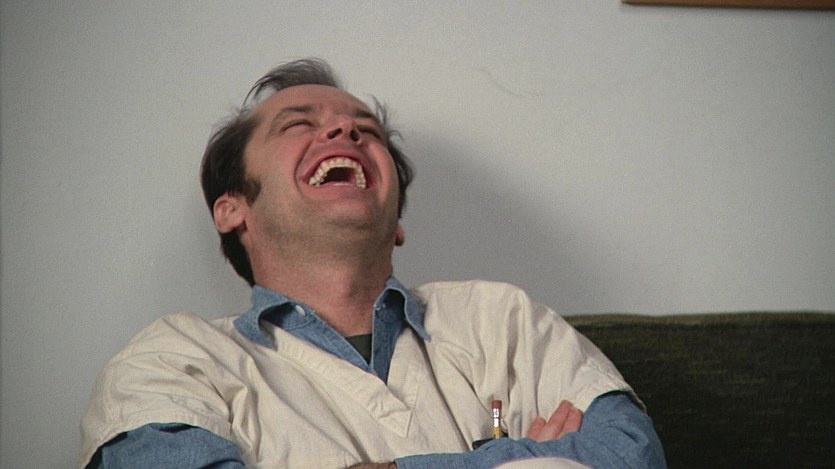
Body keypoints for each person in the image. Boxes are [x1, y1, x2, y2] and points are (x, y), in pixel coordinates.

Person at [80, 58, 666, 469]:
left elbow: (630, 455)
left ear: (396, 221)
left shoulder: (501, 318)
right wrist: (521, 460)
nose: (345, 130)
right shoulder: (175, 358)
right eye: (299, 125)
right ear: (231, 208)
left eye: (367, 131)